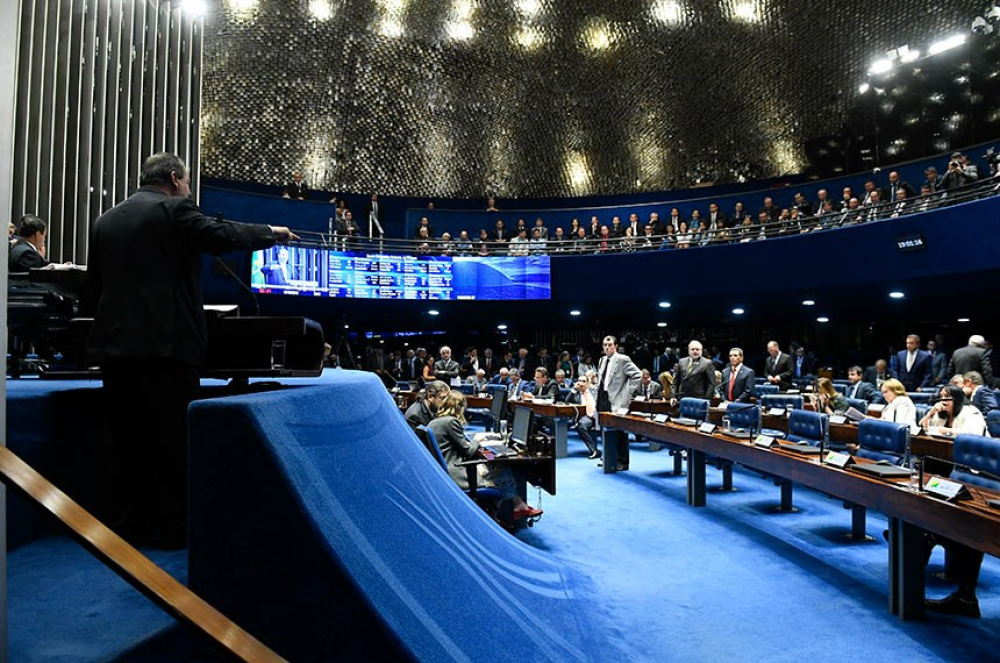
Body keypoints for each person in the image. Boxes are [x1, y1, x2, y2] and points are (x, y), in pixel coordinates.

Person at [86, 152, 297, 547]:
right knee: (170, 442)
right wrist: (271, 232)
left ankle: (126, 527)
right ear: (173, 178)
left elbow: (94, 288)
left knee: (125, 440)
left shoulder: (106, 220)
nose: (187, 189)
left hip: (115, 348)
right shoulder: (174, 209)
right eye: (185, 182)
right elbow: (222, 235)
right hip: (167, 348)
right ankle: (172, 529)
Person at [429, 392, 542, 521]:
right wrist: (477, 440)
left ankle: (498, 514)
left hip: (446, 470)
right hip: (457, 474)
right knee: (497, 465)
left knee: (491, 462)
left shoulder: (435, 421)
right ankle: (513, 507)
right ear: (459, 407)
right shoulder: (451, 422)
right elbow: (468, 451)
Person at [596, 336, 642, 471]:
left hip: (617, 399)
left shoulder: (623, 359)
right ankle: (608, 457)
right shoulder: (602, 360)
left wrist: (628, 392)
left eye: (610, 345)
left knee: (620, 432)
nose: (607, 347)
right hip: (603, 397)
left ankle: (623, 461)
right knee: (605, 429)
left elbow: (637, 375)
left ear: (615, 346)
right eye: (605, 345)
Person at [919, 385, 988, 436]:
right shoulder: (940, 412)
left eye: (947, 396)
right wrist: (931, 413)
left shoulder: (971, 411)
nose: (943, 399)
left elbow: (972, 433)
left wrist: (944, 430)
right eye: (941, 396)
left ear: (957, 399)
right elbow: (923, 427)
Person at [567, 377, 601, 459]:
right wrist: (574, 390)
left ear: (588, 383)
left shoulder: (594, 391)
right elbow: (567, 400)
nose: (581, 383)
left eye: (584, 381)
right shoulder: (576, 394)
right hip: (587, 417)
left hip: (598, 415)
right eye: (579, 381)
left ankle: (610, 453)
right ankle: (594, 450)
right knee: (581, 425)